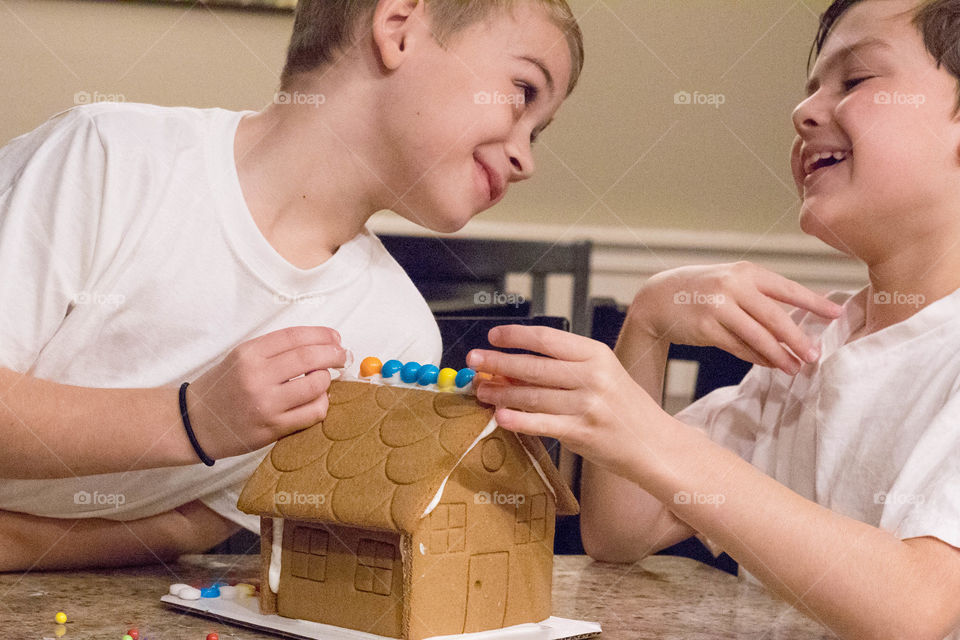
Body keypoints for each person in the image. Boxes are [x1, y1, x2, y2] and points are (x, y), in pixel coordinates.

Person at [0, 0, 582, 571]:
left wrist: (20, 546)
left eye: (542, 132)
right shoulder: (111, 158)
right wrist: (191, 420)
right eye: (524, 92)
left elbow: (192, 521)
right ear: (400, 26)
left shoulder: (398, 339)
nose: (526, 159)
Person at [468, 1, 960, 638]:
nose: (803, 111)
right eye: (811, 86)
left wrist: (655, 437)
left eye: (857, 80)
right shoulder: (812, 342)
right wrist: (646, 324)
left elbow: (916, 607)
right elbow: (621, 532)